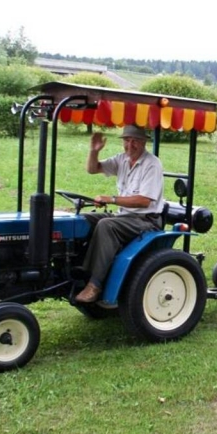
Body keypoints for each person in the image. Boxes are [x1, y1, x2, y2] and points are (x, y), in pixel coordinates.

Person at [75, 125, 164, 303]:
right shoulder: (122, 159)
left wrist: (111, 199)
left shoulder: (152, 164)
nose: (130, 145)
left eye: (135, 141)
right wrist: (93, 151)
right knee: (82, 220)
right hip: (124, 216)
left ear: (144, 142)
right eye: (127, 140)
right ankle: (77, 270)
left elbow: (144, 201)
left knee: (106, 225)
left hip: (145, 220)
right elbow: (93, 169)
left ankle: (95, 283)